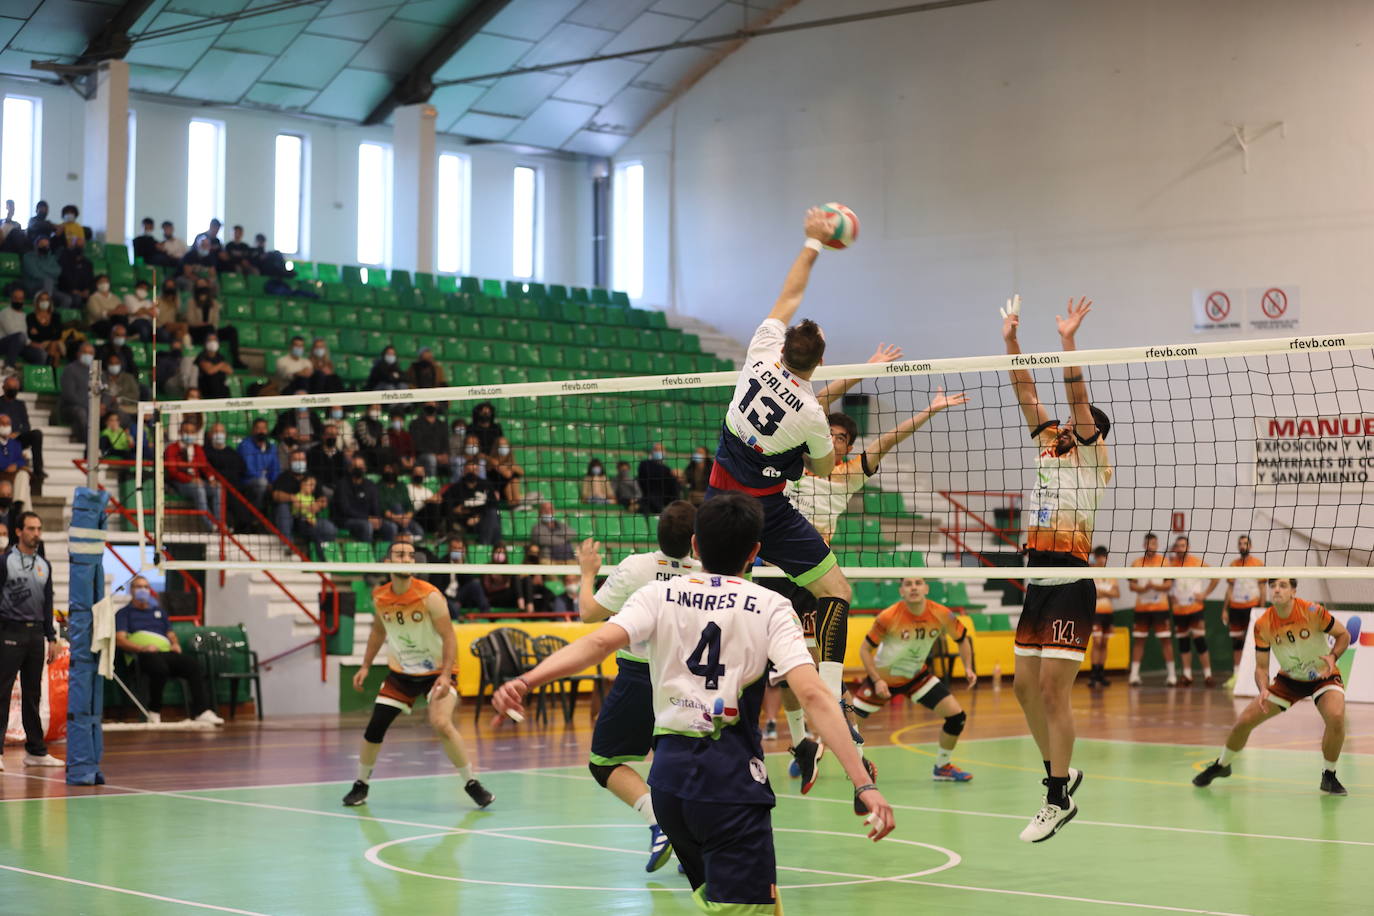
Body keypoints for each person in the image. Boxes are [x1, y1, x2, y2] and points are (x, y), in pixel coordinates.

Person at [493, 493, 894, 912]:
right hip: (731, 780)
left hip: (668, 782)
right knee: (746, 905)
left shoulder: (656, 594)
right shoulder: (772, 606)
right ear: (755, 553)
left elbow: (596, 641)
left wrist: (526, 679)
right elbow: (812, 694)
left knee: (737, 903)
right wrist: (862, 781)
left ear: (696, 545)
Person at [704, 208, 854, 767]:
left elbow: (786, 298)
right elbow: (819, 467)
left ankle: (711, 706)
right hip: (768, 513)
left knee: (716, 608)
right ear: (819, 361)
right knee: (835, 591)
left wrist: (812, 241)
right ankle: (831, 701)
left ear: (783, 347)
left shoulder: (759, 352)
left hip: (719, 503)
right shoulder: (814, 413)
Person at [1000, 293, 1109, 842]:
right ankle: (1060, 774)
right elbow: (1027, 391)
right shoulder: (1051, 445)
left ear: (1092, 434)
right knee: (1023, 689)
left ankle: (1055, 796)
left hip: (1070, 578)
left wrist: (1067, 341)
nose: (1066, 423)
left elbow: (1076, 393)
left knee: (1050, 691)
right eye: (1065, 422)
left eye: (1077, 422)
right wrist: (1012, 341)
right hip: (1036, 578)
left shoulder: (1091, 455)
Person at [574, 501, 700, 871]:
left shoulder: (636, 567)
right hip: (688, 683)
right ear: (695, 539)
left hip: (640, 677)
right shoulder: (705, 574)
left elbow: (588, 614)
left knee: (603, 761)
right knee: (677, 765)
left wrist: (586, 573)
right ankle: (691, 842)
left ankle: (657, 821)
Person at [343, 540, 494, 808]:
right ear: (388, 562)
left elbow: (449, 637)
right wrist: (365, 665)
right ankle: (361, 785)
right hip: (401, 673)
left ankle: (472, 783)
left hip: (437, 672)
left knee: (441, 723)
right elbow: (378, 631)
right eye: (400, 554)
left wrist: (446, 675)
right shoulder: (380, 597)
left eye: (411, 555)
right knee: (374, 727)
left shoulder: (430, 596)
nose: (407, 559)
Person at [1192, 578, 1349, 796]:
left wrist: (1333, 656)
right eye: (1273, 586)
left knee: (1336, 716)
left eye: (1283, 586)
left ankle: (1329, 775)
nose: (1276, 589)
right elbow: (1261, 668)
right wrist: (1263, 687)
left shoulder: (1313, 611)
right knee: (1243, 721)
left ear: (1293, 591)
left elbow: (1344, 635)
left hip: (1323, 675)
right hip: (1289, 680)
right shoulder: (1263, 623)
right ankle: (1222, 764)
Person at [846, 577, 976, 783]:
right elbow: (864, 649)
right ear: (901, 591)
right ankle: (812, 753)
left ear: (926, 588)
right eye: (908, 584)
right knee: (846, 726)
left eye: (918, 583)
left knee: (956, 717)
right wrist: (877, 680)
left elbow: (962, 640)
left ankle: (942, 767)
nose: (913, 587)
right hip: (883, 679)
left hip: (916, 676)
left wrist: (968, 668)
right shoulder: (888, 616)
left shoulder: (941, 613)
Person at [0, 512, 64, 769]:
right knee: (2, 692)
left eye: (39, 528)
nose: (36, 533)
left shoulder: (44, 565)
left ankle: (35, 751)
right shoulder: (5, 562)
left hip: (36, 634)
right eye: (31, 528)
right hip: (9, 632)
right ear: (19, 531)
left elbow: (47, 603)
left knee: (33, 694)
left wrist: (51, 636)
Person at [113, 576, 222, 724]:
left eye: (145, 587)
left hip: (165, 653)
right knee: (159, 668)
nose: (142, 590)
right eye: (138, 587)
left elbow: (170, 634)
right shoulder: (124, 613)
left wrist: (175, 644)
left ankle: (201, 711)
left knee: (193, 665)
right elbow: (120, 639)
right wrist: (142, 648)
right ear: (131, 591)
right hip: (141, 656)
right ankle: (154, 712)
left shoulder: (159, 611)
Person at [1167, 535, 1217, 687]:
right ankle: (1187, 675)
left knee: (1199, 641)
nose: (1180, 549)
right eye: (1178, 546)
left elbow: (1215, 577)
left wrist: (1205, 594)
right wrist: (1170, 597)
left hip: (1195, 608)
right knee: (1183, 643)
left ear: (1188, 547)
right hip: (1178, 610)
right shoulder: (1170, 565)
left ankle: (1208, 675)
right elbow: (1166, 584)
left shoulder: (1196, 562)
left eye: (1183, 546)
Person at [1128, 532, 1174, 686]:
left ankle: (1172, 675)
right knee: (1139, 641)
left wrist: (1154, 586)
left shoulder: (1165, 562)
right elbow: (1132, 585)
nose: (1151, 546)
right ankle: (1134, 675)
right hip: (1142, 609)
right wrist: (1143, 588)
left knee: (1165, 640)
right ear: (1144, 545)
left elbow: (1168, 585)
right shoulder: (1136, 562)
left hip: (1160, 608)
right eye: (1149, 543)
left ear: (1157, 544)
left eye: (1154, 543)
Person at [1223, 535, 1266, 686]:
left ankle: (1252, 675)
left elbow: (1262, 588)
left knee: (1254, 642)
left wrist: (1260, 609)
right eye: (1240, 543)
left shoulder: (1258, 564)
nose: (1242, 546)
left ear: (1250, 546)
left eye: (1245, 543)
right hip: (1235, 607)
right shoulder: (1233, 565)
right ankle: (1236, 675)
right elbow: (1229, 588)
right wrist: (1225, 609)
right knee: (1236, 642)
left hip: (1251, 607)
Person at [165, 421, 222, 531]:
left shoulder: (197, 448)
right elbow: (172, 472)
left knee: (217, 488)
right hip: (179, 483)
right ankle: (211, 526)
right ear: (180, 432)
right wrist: (191, 479)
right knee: (199, 489)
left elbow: (205, 467)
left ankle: (219, 523)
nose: (189, 434)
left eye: (192, 432)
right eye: (186, 431)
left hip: (197, 482)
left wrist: (211, 479)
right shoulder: (171, 448)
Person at [272, 451, 337, 546]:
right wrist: (291, 498)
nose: (299, 462)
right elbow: (275, 495)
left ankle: (310, 545)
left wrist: (317, 505)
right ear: (290, 461)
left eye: (302, 460)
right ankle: (287, 544)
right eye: (296, 460)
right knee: (282, 508)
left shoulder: (311, 477)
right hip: (290, 518)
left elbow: (323, 499)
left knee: (331, 530)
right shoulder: (284, 477)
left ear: (306, 461)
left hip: (308, 519)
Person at [0, 375, 45, 495]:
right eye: (10, 387)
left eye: (15, 387)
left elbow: (26, 425)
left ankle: (38, 471)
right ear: (4, 387)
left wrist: (17, 433)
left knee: (36, 434)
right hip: (2, 438)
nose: (13, 389)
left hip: (17, 438)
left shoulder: (20, 404)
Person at [442, 458, 501, 544]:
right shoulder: (455, 488)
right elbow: (449, 506)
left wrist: (477, 516)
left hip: (483, 520)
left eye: (474, 470)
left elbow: (493, 505)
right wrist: (456, 510)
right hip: (465, 523)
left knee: (493, 514)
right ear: (463, 471)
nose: (472, 472)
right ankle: (494, 547)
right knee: (493, 522)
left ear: (478, 471)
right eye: (469, 470)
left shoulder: (486, 485)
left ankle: (485, 545)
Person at [428, 537, 485, 619]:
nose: (457, 551)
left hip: (458, 595)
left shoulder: (462, 562)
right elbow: (437, 588)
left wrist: (461, 566)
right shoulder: (441, 563)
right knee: (453, 607)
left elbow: (469, 582)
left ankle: (486, 615)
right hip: (445, 596)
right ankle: (459, 624)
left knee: (475, 584)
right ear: (449, 549)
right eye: (454, 548)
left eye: (459, 548)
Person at [1087, 546, 1120, 688]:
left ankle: (1101, 673)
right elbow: (1092, 594)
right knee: (1097, 642)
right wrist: (1107, 593)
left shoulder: (1110, 574)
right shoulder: (1091, 573)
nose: (1101, 559)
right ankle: (1093, 675)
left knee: (1105, 643)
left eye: (1103, 556)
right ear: (1095, 557)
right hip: (1095, 614)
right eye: (1099, 556)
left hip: (1108, 613)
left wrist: (1102, 592)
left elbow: (1117, 594)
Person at [333, 457, 386, 543]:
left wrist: (377, 518)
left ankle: (387, 555)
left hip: (369, 519)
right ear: (350, 469)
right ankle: (366, 554)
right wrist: (367, 518)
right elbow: (345, 509)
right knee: (367, 526)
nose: (358, 469)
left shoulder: (370, 485)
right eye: (355, 466)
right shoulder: (342, 485)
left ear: (365, 469)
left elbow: (375, 505)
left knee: (391, 527)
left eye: (361, 466)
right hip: (346, 520)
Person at [236, 418, 280, 508]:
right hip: (248, 481)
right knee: (261, 483)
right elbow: (249, 470)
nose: (261, 431)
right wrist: (267, 482)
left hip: (266, 481)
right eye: (258, 428)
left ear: (267, 430)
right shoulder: (245, 445)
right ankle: (258, 513)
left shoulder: (271, 447)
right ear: (253, 430)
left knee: (280, 487)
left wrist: (273, 483)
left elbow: (275, 468)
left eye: (264, 428)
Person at [0, 288, 46, 367]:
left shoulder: (25, 316)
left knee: (41, 354)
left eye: (20, 299)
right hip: (4, 344)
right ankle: (9, 367)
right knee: (20, 337)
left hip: (21, 345)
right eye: (15, 298)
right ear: (11, 299)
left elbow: (28, 335)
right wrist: (30, 343)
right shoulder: (4, 313)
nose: (18, 301)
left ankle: (33, 377)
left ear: (23, 300)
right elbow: (12, 332)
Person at [61, 343, 96, 439]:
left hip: (95, 407)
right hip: (72, 407)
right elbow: (69, 395)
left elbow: (105, 391)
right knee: (81, 413)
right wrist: (89, 406)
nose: (88, 355)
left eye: (90, 353)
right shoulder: (70, 370)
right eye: (85, 352)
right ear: (78, 354)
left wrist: (103, 405)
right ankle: (86, 444)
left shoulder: (97, 371)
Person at [636, 443, 680, 515]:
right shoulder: (645, 464)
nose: (658, 452)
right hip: (648, 502)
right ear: (652, 452)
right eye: (656, 450)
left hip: (664, 503)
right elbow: (644, 482)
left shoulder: (668, 470)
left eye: (661, 450)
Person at [306, 422, 348, 496]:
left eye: (334, 435)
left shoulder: (340, 455)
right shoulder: (313, 452)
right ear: (323, 436)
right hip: (319, 488)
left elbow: (343, 475)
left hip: (337, 488)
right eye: (329, 434)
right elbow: (310, 473)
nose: (332, 437)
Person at [408, 402, 448, 478]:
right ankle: (432, 483)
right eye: (428, 403)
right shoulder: (415, 423)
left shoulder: (441, 424)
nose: (431, 405)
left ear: (437, 405)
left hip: (440, 455)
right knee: (431, 459)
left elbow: (445, 442)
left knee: (454, 460)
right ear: (423, 405)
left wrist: (445, 454)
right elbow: (417, 444)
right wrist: (435, 456)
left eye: (433, 403)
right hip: (421, 456)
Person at [20, 237, 63, 306]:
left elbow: (58, 271)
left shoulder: (51, 258)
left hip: (51, 288)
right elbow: (35, 274)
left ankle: (52, 314)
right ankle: (45, 308)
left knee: (67, 299)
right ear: (36, 245)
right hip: (32, 287)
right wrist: (50, 276)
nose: (44, 247)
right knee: (48, 281)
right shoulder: (28, 257)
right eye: (42, 244)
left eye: (47, 245)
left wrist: (42, 268)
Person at [58, 234, 95, 310]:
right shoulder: (64, 259)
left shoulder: (88, 263)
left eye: (81, 245)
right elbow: (63, 278)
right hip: (68, 290)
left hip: (84, 291)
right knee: (76, 298)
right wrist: (73, 290)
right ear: (72, 245)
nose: (79, 248)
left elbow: (91, 279)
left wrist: (88, 290)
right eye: (77, 245)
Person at [25, 291, 63, 366]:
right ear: (37, 302)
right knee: (56, 353)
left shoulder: (56, 316)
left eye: (46, 299)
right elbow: (32, 336)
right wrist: (50, 332)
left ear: (50, 302)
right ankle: (52, 373)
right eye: (42, 299)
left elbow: (58, 334)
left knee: (53, 344)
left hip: (55, 343)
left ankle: (47, 367)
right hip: (37, 344)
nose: (44, 302)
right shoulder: (31, 317)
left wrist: (41, 332)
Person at [195, 334, 232, 399]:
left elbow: (230, 370)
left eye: (214, 340)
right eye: (210, 340)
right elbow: (209, 371)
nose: (212, 342)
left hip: (222, 390)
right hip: (207, 391)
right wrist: (220, 365)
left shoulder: (220, 356)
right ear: (205, 342)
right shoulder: (201, 356)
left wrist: (214, 367)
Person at [487, 436, 523, 505]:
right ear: (496, 448)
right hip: (497, 491)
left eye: (505, 445)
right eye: (501, 445)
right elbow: (507, 475)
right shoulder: (493, 461)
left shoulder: (511, 461)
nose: (504, 447)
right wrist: (509, 467)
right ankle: (513, 504)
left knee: (514, 481)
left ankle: (516, 503)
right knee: (510, 483)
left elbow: (521, 471)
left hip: (512, 491)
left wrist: (510, 466)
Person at [154, 280, 188, 344]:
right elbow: (155, 316)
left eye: (172, 286)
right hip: (160, 326)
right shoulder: (158, 300)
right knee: (165, 335)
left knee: (182, 329)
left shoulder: (176, 301)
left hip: (172, 326)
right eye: (168, 286)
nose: (170, 288)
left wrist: (176, 301)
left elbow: (180, 313)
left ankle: (180, 347)